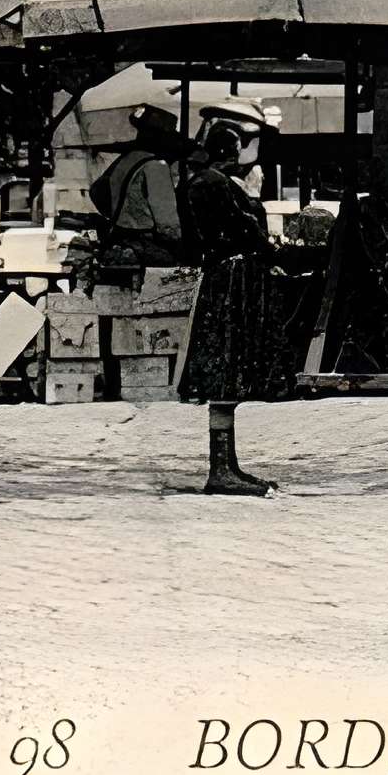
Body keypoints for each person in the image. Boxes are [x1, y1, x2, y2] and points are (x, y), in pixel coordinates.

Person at [177, 104, 288, 496]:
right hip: (231, 283)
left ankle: (227, 465)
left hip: (223, 279)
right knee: (227, 370)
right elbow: (248, 230)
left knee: (227, 374)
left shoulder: (201, 181)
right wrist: (254, 199)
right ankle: (221, 469)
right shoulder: (215, 184)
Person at [97, 107, 190, 270]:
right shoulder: (156, 167)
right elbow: (167, 223)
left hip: (119, 238)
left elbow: (96, 192)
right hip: (145, 247)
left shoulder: (127, 159)